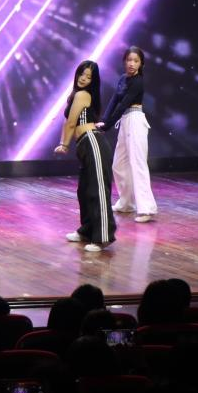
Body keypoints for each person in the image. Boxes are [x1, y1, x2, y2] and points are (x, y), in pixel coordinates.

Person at [55, 60, 116, 252]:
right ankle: (87, 231)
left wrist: (64, 144)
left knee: (97, 191)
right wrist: (64, 142)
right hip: (84, 144)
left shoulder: (82, 94)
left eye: (88, 77)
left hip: (93, 142)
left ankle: (103, 237)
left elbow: (71, 123)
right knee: (85, 191)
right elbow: (68, 122)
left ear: (93, 81)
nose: (83, 78)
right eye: (82, 74)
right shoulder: (76, 94)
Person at [98, 46, 156, 223]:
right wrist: (104, 120)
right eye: (129, 60)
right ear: (124, 61)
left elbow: (123, 104)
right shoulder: (123, 78)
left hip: (135, 121)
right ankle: (126, 203)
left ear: (141, 64)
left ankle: (146, 208)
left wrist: (107, 125)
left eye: (136, 61)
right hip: (125, 121)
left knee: (137, 164)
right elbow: (114, 100)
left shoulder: (138, 82)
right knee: (118, 164)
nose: (131, 63)